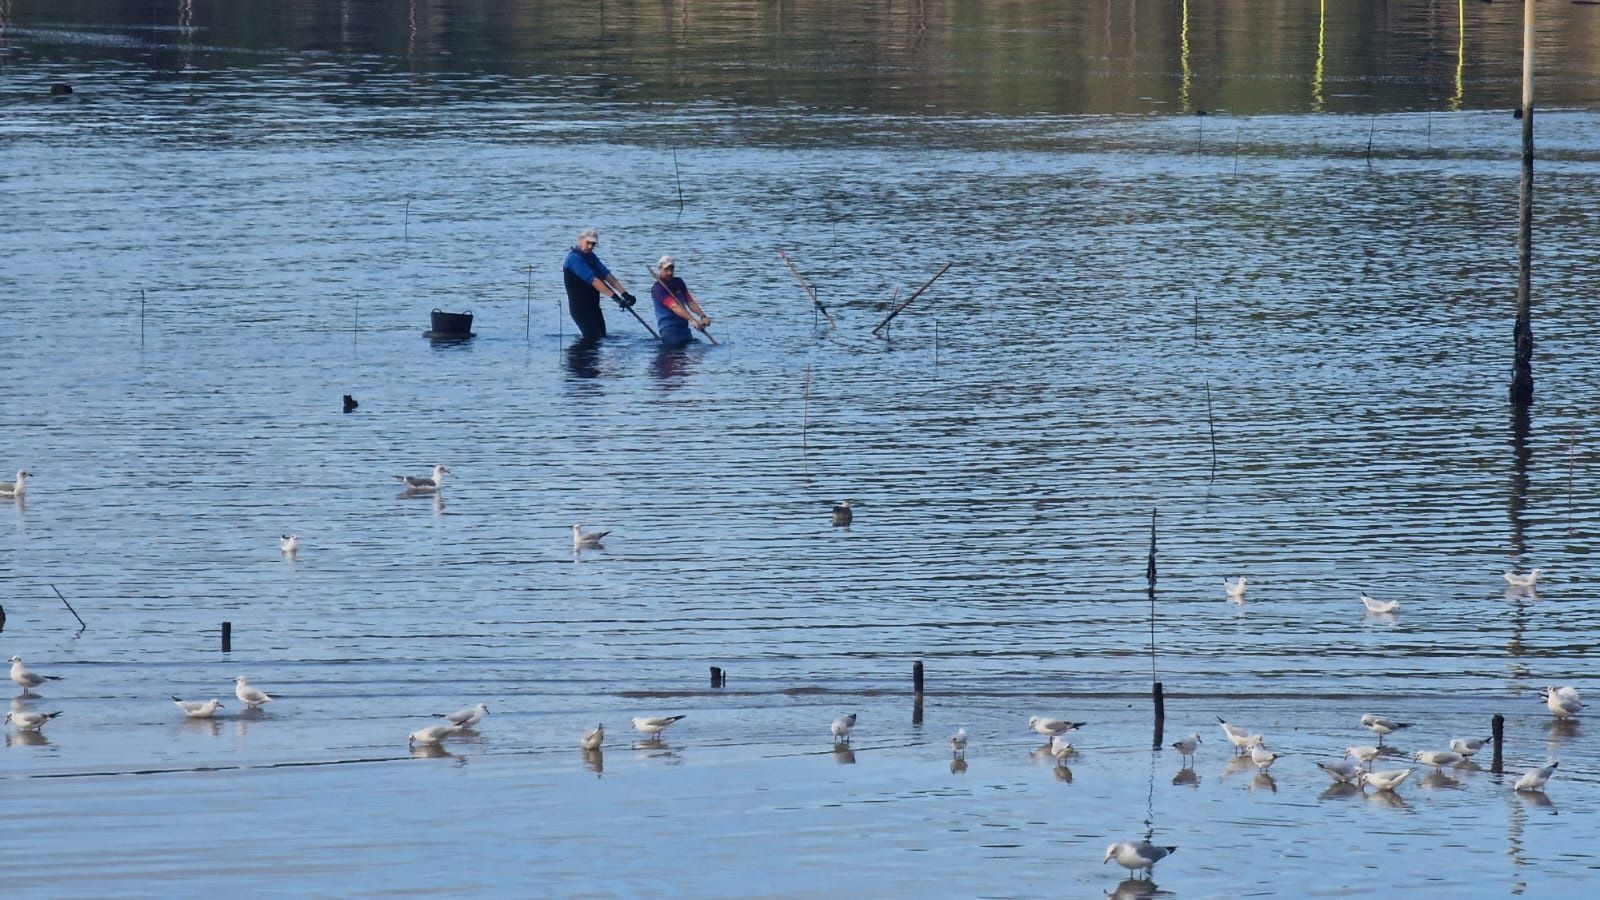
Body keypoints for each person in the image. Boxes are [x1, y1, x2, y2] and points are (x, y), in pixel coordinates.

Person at [562, 227, 636, 340]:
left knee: (601, 338)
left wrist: (625, 294)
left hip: (594, 307)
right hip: (580, 309)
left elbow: (607, 276)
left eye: (593, 244)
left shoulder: (591, 257)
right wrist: (616, 298)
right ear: (580, 240)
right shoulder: (573, 259)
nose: (591, 247)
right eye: (588, 243)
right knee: (592, 339)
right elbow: (594, 281)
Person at [649, 255, 713, 347]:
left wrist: (702, 316)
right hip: (669, 331)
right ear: (660, 269)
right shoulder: (657, 289)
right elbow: (674, 306)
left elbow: (689, 301)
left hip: (684, 329)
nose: (669, 273)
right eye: (666, 270)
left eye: (671, 269)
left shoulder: (679, 282)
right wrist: (693, 321)